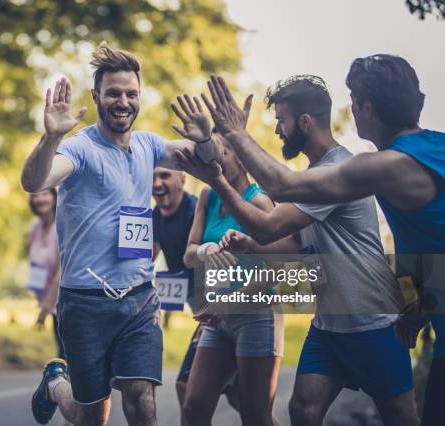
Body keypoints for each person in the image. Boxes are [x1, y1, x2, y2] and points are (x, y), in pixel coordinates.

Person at [202, 56, 444, 426]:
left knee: (402, 416)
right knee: (302, 409)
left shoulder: (373, 167)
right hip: (331, 324)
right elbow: (423, 243)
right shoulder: (424, 153)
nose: (350, 108)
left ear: (367, 107)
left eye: (353, 99)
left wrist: (234, 137)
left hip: (369, 322)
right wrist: (417, 308)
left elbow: (278, 195)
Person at [22, 42, 222, 426]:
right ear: (96, 96)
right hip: (84, 304)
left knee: (141, 400)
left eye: (131, 94)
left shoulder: (149, 145)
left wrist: (205, 139)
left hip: (139, 300)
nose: (123, 101)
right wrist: (50, 138)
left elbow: (212, 162)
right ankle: (55, 383)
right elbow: (34, 181)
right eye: (113, 93)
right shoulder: (79, 148)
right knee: (90, 417)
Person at [179, 131, 282, 426]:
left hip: (256, 316)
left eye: (221, 151)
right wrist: (206, 251)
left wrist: (230, 301)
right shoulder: (208, 195)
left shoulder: (260, 201)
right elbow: (189, 255)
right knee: (194, 406)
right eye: (209, 152)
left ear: (240, 155)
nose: (214, 158)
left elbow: (277, 268)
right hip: (218, 321)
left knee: (254, 415)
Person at [151, 167, 198, 422]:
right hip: (206, 314)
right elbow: (145, 261)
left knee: (186, 386)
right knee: (242, 400)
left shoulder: (196, 210)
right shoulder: (156, 216)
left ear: (183, 179)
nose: (156, 183)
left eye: (164, 176)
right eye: (152, 177)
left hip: (225, 310)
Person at [27, 189, 64, 359]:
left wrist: (45, 308)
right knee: (60, 348)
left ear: (55, 197)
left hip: (62, 301)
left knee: (65, 353)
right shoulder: (35, 226)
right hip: (48, 301)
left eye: (45, 194)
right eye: (36, 194)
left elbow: (60, 274)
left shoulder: (61, 226)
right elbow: (35, 265)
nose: (40, 199)